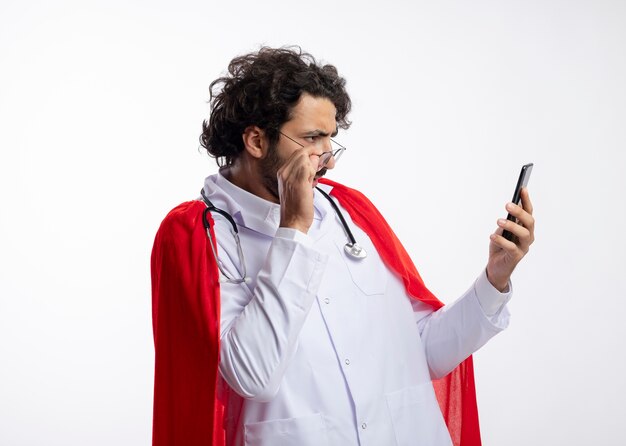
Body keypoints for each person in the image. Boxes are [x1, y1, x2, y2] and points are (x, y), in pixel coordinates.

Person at [150, 46, 535, 446]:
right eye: (312, 139)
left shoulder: (350, 211)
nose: (328, 160)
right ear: (256, 140)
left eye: (331, 139)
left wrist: (495, 278)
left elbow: (421, 351)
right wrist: (294, 230)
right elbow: (252, 377)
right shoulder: (199, 235)